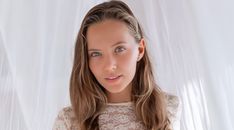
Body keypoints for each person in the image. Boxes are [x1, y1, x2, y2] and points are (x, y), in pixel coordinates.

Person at [53, 0, 181, 130]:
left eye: (119, 49)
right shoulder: (68, 121)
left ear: (140, 49)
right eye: (96, 54)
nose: (109, 66)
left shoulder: (169, 108)